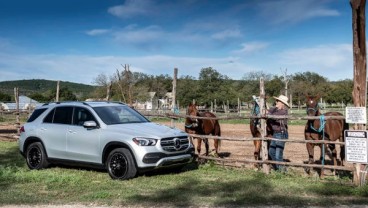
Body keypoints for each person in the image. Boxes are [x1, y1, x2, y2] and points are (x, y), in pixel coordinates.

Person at [267, 94, 289, 172]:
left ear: (282, 103)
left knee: (278, 154)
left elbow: (271, 115)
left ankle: (282, 171)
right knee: (271, 151)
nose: (276, 102)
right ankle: (278, 168)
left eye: (278, 101)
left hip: (281, 133)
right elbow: (269, 112)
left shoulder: (283, 111)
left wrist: (269, 111)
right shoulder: (277, 110)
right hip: (276, 133)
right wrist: (270, 110)